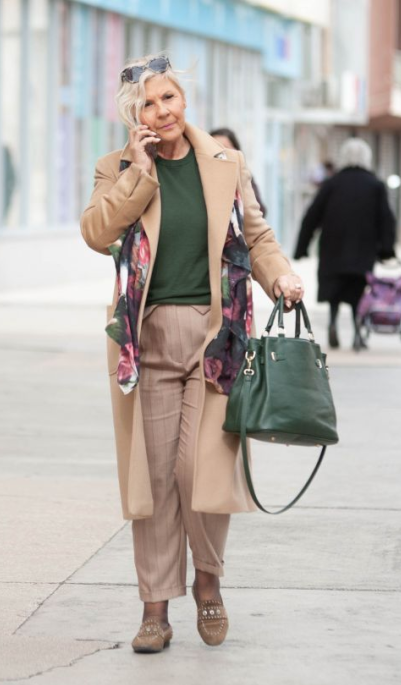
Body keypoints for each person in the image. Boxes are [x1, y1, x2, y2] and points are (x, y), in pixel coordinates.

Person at [80, 54, 303, 654]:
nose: (162, 112)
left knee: (201, 470)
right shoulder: (118, 167)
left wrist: (279, 277)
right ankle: (155, 608)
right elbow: (98, 232)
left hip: (216, 338)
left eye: (169, 98)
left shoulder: (225, 164)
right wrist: (139, 168)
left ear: (185, 100)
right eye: (148, 105)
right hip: (145, 340)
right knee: (153, 478)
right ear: (136, 117)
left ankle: (208, 584)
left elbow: (255, 237)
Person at [294, 138, 396, 350]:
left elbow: (312, 216)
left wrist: (301, 247)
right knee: (358, 291)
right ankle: (358, 330)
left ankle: (332, 322)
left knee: (335, 291)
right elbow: (386, 219)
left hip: (333, 248)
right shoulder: (375, 185)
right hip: (363, 249)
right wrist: (386, 250)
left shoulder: (331, 184)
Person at [209, 127, 267, 216]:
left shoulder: (244, 177)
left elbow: (259, 211)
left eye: (225, 149)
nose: (220, 155)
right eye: (215, 149)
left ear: (237, 151)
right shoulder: (204, 179)